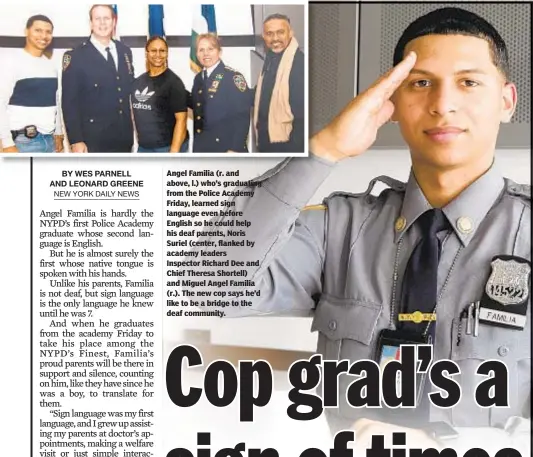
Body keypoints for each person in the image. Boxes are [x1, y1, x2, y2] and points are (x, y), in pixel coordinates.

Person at [196, 7, 530, 454]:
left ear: (506, 101)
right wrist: (321, 150)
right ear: (393, 103)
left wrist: (443, 444)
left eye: (469, 82)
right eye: (421, 83)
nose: (442, 103)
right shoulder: (339, 229)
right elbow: (208, 283)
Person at [61, 4, 134, 153]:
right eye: (97, 19)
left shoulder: (124, 51)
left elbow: (127, 90)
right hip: (92, 140)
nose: (102, 23)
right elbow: (69, 103)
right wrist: (76, 140)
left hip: (123, 138)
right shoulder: (75, 56)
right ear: (91, 23)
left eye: (106, 18)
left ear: (114, 22)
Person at [0, 15, 63, 153]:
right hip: (21, 143)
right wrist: (6, 143)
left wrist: (58, 132)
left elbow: (56, 102)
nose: (44, 35)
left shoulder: (51, 65)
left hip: (49, 141)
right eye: (38, 30)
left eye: (48, 32)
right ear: (26, 31)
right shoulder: (11, 61)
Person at [190, 33, 252, 153]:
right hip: (203, 147)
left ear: (219, 52)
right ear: (196, 54)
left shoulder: (233, 77)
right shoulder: (198, 78)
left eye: (210, 49)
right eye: (201, 50)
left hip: (226, 148)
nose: (205, 53)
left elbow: (242, 116)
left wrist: (235, 148)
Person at [254, 13, 305, 153]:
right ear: (264, 37)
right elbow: (263, 93)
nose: (275, 38)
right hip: (266, 142)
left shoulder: (299, 64)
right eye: (269, 33)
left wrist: (293, 155)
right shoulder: (270, 59)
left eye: (280, 32)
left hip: (287, 145)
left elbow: (303, 117)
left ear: (290, 33)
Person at [132, 36, 189, 153]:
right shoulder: (138, 82)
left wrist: (173, 153)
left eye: (162, 51)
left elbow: (181, 121)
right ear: (146, 54)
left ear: (167, 54)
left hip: (167, 148)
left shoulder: (174, 83)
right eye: (153, 50)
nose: (158, 54)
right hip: (144, 148)